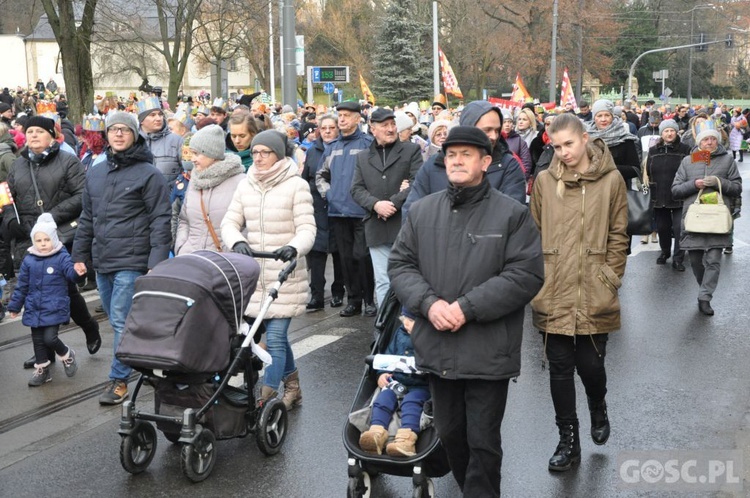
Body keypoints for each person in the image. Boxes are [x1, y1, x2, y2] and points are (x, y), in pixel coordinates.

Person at [389, 126, 544, 496]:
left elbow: (525, 274)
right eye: (451, 154)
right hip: (437, 345)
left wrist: (466, 307)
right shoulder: (423, 211)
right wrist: (430, 303)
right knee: (451, 435)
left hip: (488, 349)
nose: (457, 160)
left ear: (486, 162)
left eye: (467, 154)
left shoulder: (511, 214)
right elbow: (401, 266)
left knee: (483, 442)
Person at [530, 113, 628, 472]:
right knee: (559, 368)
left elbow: (619, 234)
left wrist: (610, 276)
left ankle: (597, 403)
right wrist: (536, 276)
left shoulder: (611, 179)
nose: (563, 152)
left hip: (593, 286)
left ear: (585, 139)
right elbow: (533, 231)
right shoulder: (544, 180)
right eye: (556, 146)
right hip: (553, 286)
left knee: (590, 366)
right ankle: (567, 440)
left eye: (568, 144)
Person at [72, 111, 172, 404]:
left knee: (120, 320)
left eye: (124, 130)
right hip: (103, 259)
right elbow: (87, 217)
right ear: (106, 135)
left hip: (133, 259)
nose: (118, 134)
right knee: (124, 319)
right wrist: (79, 254)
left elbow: (160, 219)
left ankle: (118, 381)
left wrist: (156, 261)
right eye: (113, 130)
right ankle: (149, 365)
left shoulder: (148, 174)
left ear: (134, 135)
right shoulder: (96, 172)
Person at [222, 129, 315, 409]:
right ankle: (293, 386)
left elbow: (308, 229)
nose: (259, 158)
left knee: (274, 336)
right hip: (255, 275)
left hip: (284, 275)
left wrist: (294, 247)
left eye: (265, 152)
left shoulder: (296, 185)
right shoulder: (245, 184)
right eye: (255, 152)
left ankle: (266, 396)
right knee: (272, 337)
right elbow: (229, 222)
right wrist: (237, 241)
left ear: (278, 155)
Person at [3, 116, 102, 370]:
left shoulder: (67, 160)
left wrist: (52, 216)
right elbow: (10, 200)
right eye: (30, 132)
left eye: (39, 131)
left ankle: (89, 326)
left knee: (63, 290)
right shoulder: (18, 165)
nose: (33, 136)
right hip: (31, 237)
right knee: (36, 291)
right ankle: (42, 350)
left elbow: (82, 195)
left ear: (51, 135)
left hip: (61, 235)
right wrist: (17, 224)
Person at [402, 100, 527, 220]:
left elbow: (511, 217)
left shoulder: (508, 166)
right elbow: (412, 214)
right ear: (468, 127)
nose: (494, 136)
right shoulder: (433, 165)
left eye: (497, 130)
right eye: (487, 130)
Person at [351, 108, 422, 309]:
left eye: (393, 124)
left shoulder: (411, 151)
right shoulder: (363, 157)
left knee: (408, 280)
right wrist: (375, 204)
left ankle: (406, 328)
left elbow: (418, 182)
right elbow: (356, 189)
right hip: (377, 226)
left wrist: (394, 202)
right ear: (373, 129)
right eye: (385, 125)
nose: (391, 129)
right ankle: (383, 332)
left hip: (405, 225)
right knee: (383, 281)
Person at [671, 121, 742, 316]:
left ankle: (705, 298)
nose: (709, 143)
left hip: (717, 220)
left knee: (713, 260)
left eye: (712, 139)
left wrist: (720, 182)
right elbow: (675, 190)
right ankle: (704, 288)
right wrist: (694, 184)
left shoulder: (727, 160)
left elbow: (736, 187)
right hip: (694, 220)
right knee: (695, 261)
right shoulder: (689, 161)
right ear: (699, 142)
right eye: (705, 139)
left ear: (717, 140)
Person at [8, 213, 85, 386]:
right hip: (34, 308)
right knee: (38, 342)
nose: (43, 244)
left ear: (54, 239)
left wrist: (78, 273)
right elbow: (22, 286)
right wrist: (15, 306)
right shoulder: (29, 260)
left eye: (46, 240)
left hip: (54, 307)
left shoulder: (61, 256)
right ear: (34, 241)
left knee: (50, 338)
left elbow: (70, 273)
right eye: (39, 241)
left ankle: (67, 355)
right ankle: (43, 370)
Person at [316, 101, 377, 318]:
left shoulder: (368, 144)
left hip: (362, 212)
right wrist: (329, 195)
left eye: (346, 115)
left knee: (362, 256)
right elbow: (321, 176)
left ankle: (370, 299)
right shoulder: (332, 147)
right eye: (340, 115)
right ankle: (353, 301)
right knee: (345, 259)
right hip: (337, 212)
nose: (341, 119)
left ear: (357, 119)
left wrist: (370, 201)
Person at [359, 308, 429, 457]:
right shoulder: (400, 333)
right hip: (396, 381)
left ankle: (406, 439)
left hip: (420, 385)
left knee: (411, 403)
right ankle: (376, 432)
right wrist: (381, 373)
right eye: (405, 322)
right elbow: (388, 356)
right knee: (382, 399)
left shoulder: (430, 339)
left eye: (412, 322)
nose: (407, 325)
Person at [174, 125, 245, 255]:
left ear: (211, 153)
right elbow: (184, 219)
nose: (192, 159)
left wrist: (235, 253)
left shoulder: (241, 182)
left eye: (196, 153)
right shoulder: (195, 180)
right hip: (190, 258)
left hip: (224, 263)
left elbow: (248, 224)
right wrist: (181, 247)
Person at [301, 114, 345, 311]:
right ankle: (316, 295)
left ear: (338, 129)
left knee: (339, 254)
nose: (327, 131)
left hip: (339, 208)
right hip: (316, 209)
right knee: (317, 254)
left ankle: (338, 292)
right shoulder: (313, 152)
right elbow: (305, 179)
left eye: (332, 127)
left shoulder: (343, 149)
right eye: (324, 128)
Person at [646, 119, 691, 270]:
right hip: (659, 195)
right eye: (666, 131)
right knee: (663, 227)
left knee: (679, 229)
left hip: (680, 195)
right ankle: (665, 252)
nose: (669, 133)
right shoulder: (653, 150)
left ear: (676, 132)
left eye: (672, 130)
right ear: (661, 133)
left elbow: (692, 169)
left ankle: (678, 258)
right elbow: (648, 171)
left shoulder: (685, 149)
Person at [137, 96, 184, 185]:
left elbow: (187, 172)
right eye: (152, 115)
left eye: (160, 114)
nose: (158, 118)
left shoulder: (177, 141)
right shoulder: (133, 142)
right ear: (142, 120)